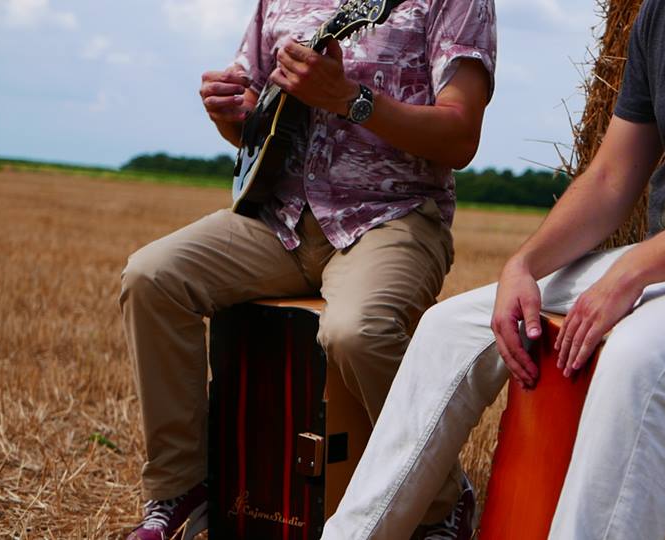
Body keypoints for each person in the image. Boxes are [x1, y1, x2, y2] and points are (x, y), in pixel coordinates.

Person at [321, 0, 665, 537]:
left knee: (641, 359)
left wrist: (636, 271)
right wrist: (525, 265)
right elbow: (612, 178)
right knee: (450, 330)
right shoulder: (661, 11)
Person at [120, 0, 495, 538]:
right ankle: (182, 489)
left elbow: (460, 137)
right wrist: (232, 114)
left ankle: (441, 502)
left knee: (357, 333)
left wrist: (350, 100)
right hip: (279, 218)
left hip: (391, 216)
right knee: (151, 277)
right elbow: (256, 126)